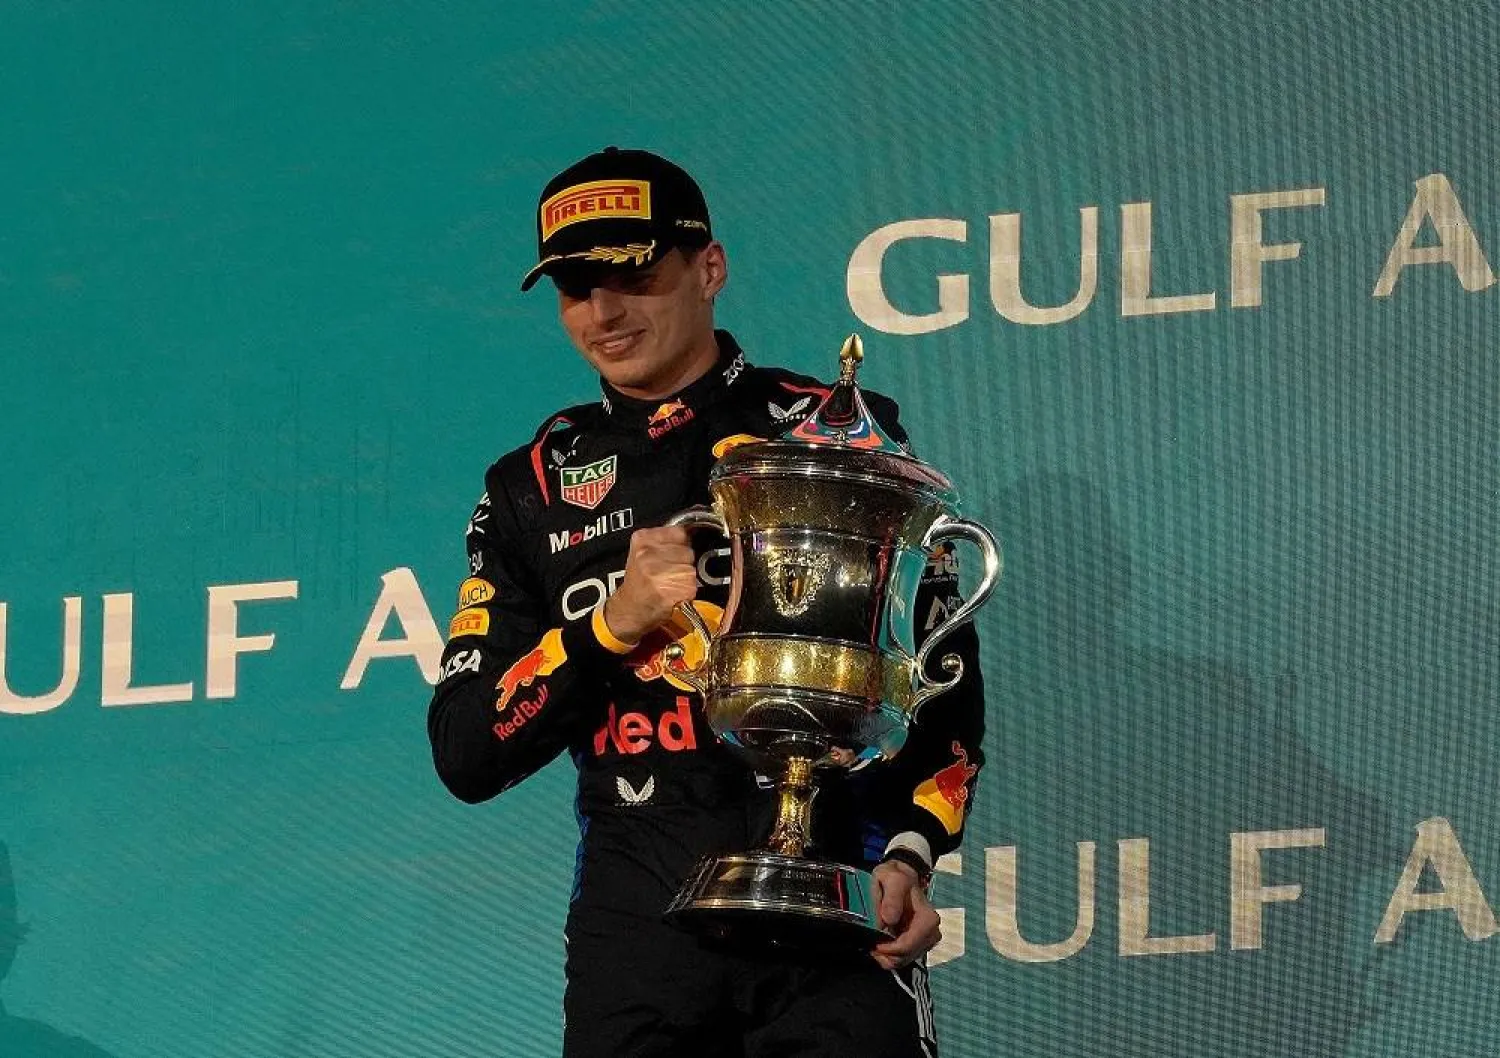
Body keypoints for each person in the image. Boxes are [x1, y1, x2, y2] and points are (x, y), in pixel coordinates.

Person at [426, 147, 986, 1057]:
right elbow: (466, 748)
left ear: (709, 269)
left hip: (836, 930)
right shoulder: (529, 488)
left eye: (634, 277)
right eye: (575, 288)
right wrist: (609, 626)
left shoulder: (830, 432)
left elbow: (942, 687)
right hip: (638, 941)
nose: (605, 313)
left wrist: (910, 853)